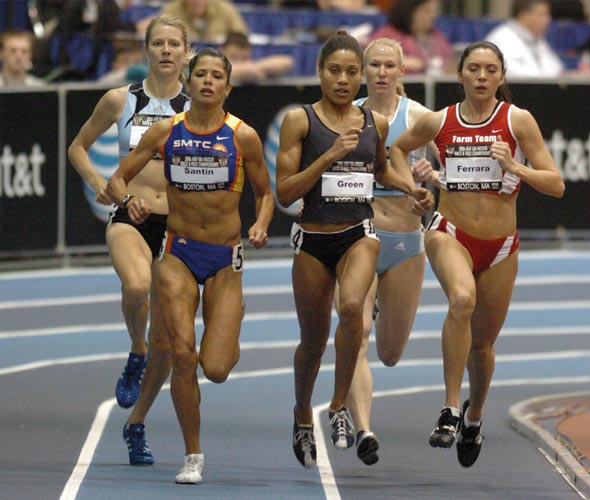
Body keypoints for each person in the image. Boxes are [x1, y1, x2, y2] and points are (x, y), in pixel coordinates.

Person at [389, 40, 565, 468]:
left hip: (501, 246)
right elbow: (394, 148)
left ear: (501, 77)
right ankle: (450, 408)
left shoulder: (517, 121)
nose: (482, 76)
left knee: (483, 348)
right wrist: (413, 188)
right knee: (461, 300)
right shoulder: (439, 121)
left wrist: (516, 167)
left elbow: (556, 184)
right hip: (450, 232)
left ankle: (474, 415)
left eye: (491, 70)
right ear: (460, 75)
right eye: (474, 69)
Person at [107, 46, 274, 484]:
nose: (207, 82)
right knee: (182, 354)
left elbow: (266, 192)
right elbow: (117, 178)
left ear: (227, 86)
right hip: (177, 252)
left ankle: (231, 319)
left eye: (217, 76)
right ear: (188, 80)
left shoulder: (243, 136)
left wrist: (259, 225)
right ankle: (193, 455)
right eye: (200, 74)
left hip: (224, 258)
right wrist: (130, 202)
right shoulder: (165, 131)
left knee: (215, 368)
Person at [276, 30, 433, 469]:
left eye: (351, 72)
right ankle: (301, 413)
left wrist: (412, 189)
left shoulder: (374, 124)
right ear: (320, 72)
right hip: (313, 239)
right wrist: (327, 158)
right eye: (335, 71)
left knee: (351, 313)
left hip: (359, 234)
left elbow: (381, 170)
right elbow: (286, 193)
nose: (344, 79)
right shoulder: (300, 121)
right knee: (312, 342)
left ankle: (338, 406)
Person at [68, 13, 191, 466]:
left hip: (177, 227)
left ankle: (135, 423)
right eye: (157, 43)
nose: (165, 51)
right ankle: (134, 349)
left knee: (170, 345)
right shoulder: (121, 100)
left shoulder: (197, 106)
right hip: (129, 215)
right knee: (137, 287)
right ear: (146, 50)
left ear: (185, 52)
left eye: (173, 45)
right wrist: (101, 181)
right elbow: (77, 146)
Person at [336, 37, 435, 466]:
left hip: (405, 240)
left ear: (401, 71)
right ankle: (363, 429)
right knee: (355, 331)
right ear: (362, 70)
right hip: (358, 234)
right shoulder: (346, 116)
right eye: (372, 64)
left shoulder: (422, 119)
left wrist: (432, 178)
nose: (379, 72)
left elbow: (449, 180)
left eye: (387, 65)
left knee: (390, 353)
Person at [367, 0, 453, 75]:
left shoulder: (438, 37)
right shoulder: (386, 35)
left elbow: (450, 62)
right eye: (427, 11)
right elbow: (370, 59)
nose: (433, 16)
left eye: (434, 11)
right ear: (409, 12)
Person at [485, 0, 567, 78]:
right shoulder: (501, 39)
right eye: (542, 15)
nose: (548, 20)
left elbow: (557, 70)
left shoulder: (537, 40)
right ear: (523, 15)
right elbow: (514, 77)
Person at [161, 0, 248, 44]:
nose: (197, 1)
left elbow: (241, 38)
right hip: (183, 62)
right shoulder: (171, 11)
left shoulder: (226, 10)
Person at [220, 32, 294, 83]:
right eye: (234, 57)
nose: (241, 64)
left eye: (244, 59)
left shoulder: (254, 68)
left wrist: (255, 69)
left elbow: (288, 62)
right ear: (222, 51)